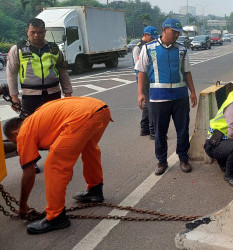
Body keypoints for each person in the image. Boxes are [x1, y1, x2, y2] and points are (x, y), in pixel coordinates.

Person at [2, 97, 112, 234]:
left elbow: (28, 173)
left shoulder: (24, 131)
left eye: (15, 142)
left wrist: (23, 205)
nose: (18, 145)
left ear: (15, 133)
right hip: (100, 109)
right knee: (89, 149)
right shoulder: (37, 119)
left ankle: (56, 216)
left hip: (82, 116)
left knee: (53, 165)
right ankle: (95, 190)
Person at [6, 18, 73, 173]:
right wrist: (14, 96)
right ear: (27, 32)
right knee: (28, 130)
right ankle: (31, 160)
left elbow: (63, 71)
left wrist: (68, 92)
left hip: (53, 93)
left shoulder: (54, 49)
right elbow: (11, 73)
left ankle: (55, 156)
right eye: (33, 32)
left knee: (56, 127)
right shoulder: (19, 49)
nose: (36, 35)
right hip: (30, 96)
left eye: (40, 32)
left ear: (45, 32)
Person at [135, 18, 197, 176]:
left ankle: (183, 158)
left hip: (180, 97)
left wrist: (192, 92)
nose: (176, 35)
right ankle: (161, 161)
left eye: (178, 33)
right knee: (159, 132)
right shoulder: (149, 48)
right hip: (158, 98)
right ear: (164, 30)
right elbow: (141, 71)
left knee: (182, 130)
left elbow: (187, 72)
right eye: (173, 32)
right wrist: (141, 93)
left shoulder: (182, 50)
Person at [132, 26, 159, 139]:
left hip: (152, 78)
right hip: (144, 79)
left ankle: (145, 128)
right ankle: (153, 131)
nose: (154, 40)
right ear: (146, 35)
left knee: (148, 105)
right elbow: (140, 68)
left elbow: (154, 60)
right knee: (151, 104)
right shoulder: (138, 48)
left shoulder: (152, 46)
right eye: (152, 37)